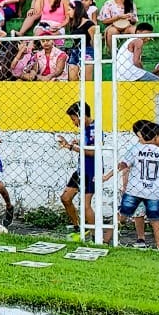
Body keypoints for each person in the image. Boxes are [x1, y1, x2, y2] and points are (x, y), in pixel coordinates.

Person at [107, 121, 159, 249]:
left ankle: (104, 239)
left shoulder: (135, 149)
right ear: (155, 137)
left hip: (135, 190)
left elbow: (123, 166)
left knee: (122, 215)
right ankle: (158, 247)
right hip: (152, 191)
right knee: (155, 220)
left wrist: (107, 176)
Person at [57, 102, 97, 242]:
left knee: (86, 205)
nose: (74, 123)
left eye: (74, 119)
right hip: (81, 170)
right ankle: (78, 227)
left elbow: (92, 152)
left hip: (91, 171)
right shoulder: (85, 129)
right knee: (66, 198)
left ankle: (96, 237)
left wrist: (70, 146)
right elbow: (85, 145)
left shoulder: (94, 129)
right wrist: (77, 143)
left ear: (82, 116)